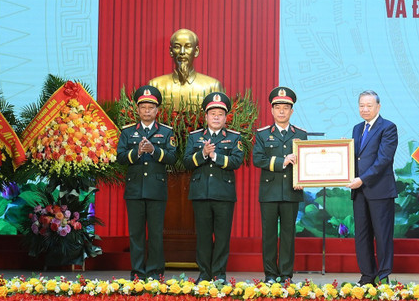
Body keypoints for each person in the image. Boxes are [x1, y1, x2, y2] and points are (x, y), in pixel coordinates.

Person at [116, 85, 177, 280]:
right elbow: (120, 158)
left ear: (157, 110)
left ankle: (155, 273)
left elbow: (172, 157)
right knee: (136, 234)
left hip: (156, 190)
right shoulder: (127, 132)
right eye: (143, 107)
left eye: (151, 108)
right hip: (134, 190)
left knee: (156, 235)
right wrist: (138, 152)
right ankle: (138, 273)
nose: (147, 111)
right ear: (138, 110)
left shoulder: (167, 132)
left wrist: (153, 150)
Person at [184, 92, 244, 282]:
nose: (216, 117)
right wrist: (202, 153)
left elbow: (236, 161)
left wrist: (215, 156)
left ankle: (219, 275)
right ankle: (204, 274)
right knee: (202, 237)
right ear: (206, 116)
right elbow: (186, 162)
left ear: (225, 118)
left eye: (220, 114)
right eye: (213, 113)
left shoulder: (234, 137)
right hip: (200, 194)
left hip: (224, 195)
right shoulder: (195, 137)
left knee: (222, 237)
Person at [252, 86, 308, 283]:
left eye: (286, 107)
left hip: (292, 191)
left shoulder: (300, 134)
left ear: (292, 111)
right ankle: (270, 274)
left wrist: (303, 179)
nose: (282, 111)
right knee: (268, 236)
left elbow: (306, 162)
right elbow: (257, 159)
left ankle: (285, 275)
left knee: (288, 236)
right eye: (278, 107)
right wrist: (282, 161)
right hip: (269, 192)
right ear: (272, 111)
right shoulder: (262, 134)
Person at [347, 90, 398, 285]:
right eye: (361, 105)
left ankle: (383, 276)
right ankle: (367, 275)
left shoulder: (388, 127)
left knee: (382, 235)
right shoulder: (356, 128)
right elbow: (354, 157)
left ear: (378, 106)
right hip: (359, 192)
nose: (365, 109)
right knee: (362, 235)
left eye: (369, 105)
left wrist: (362, 179)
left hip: (380, 191)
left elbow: (383, 160)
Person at [149, 29, 225, 109]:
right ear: (171, 51)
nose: (182, 52)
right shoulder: (156, 85)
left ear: (196, 51)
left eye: (187, 47)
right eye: (177, 47)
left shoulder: (212, 86)